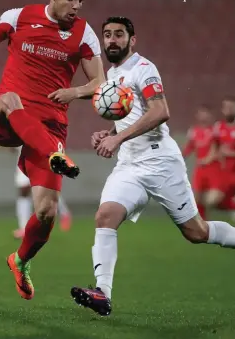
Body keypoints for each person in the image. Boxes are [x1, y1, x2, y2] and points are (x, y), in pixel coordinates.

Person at [70, 16, 235, 316]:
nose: (111, 40)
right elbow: (130, 116)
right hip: (129, 164)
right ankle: (102, 294)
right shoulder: (113, 72)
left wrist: (117, 137)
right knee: (105, 216)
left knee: (196, 232)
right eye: (107, 35)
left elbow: (161, 111)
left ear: (132, 40)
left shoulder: (144, 69)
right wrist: (108, 133)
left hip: (160, 162)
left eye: (119, 35)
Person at [0, 0, 105, 300]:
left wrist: (75, 92)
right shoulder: (19, 16)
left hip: (50, 126)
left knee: (46, 212)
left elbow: (99, 83)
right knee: (11, 99)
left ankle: (20, 260)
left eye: (81, 0)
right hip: (5, 118)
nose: (76, 6)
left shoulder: (84, 34)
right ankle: (53, 155)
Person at [12, 147, 72, 239]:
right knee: (23, 191)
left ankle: (64, 213)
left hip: (41, 154)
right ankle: (24, 228)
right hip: (24, 156)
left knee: (46, 190)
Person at [182, 105, 218, 219]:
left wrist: (210, 158)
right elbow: (188, 148)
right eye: (201, 113)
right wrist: (179, 158)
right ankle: (203, 223)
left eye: (206, 113)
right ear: (197, 115)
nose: (204, 115)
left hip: (213, 168)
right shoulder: (194, 131)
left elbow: (218, 149)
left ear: (210, 115)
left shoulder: (215, 131)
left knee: (212, 199)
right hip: (200, 169)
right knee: (196, 198)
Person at [208, 96, 235, 219]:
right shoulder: (218, 126)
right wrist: (210, 158)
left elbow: (226, 151)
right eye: (225, 107)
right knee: (211, 201)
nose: (228, 110)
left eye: (230, 107)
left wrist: (229, 153)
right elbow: (214, 149)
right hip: (223, 173)